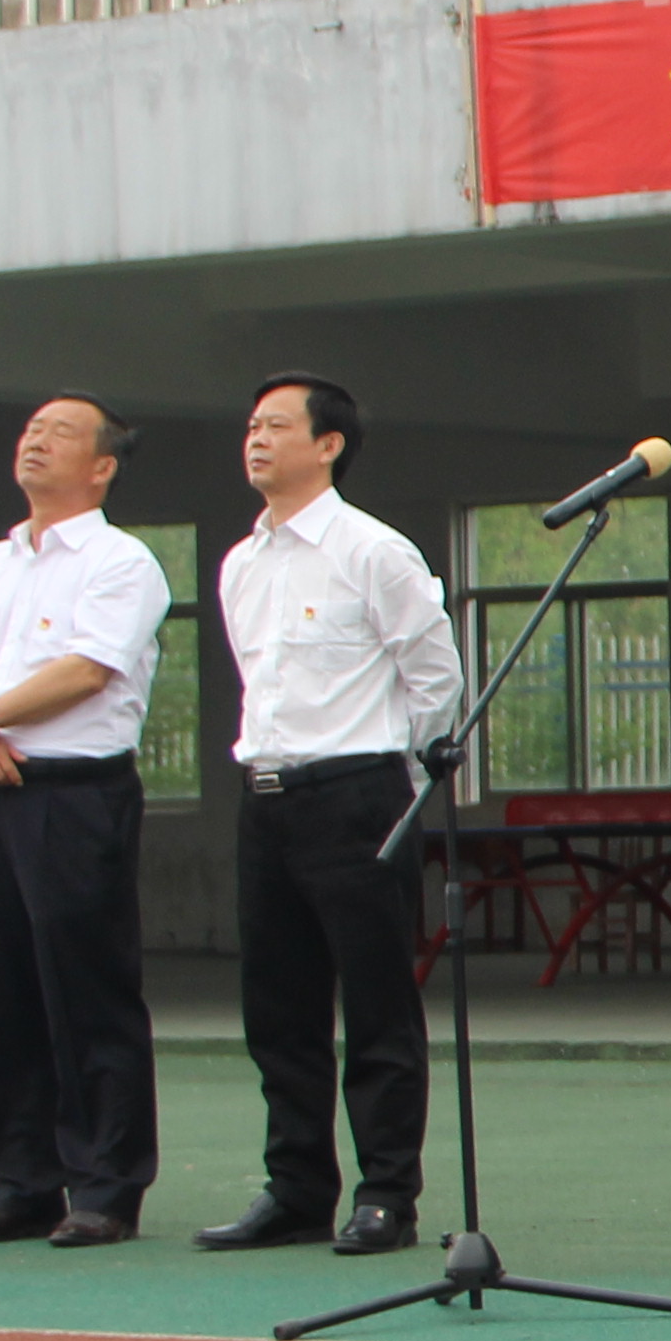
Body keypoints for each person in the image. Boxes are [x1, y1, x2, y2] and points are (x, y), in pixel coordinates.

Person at [198, 372, 461, 1258]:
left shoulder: (372, 551)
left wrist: (395, 777)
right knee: (278, 1009)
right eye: (251, 424)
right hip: (266, 798)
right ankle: (297, 1188)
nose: (256, 438)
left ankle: (387, 1194)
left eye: (276, 425)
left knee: (378, 1004)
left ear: (329, 444)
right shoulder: (242, 563)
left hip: (358, 797)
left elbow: (436, 679)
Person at [0, 394, 172, 1246]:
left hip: (74, 792)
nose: (34, 441)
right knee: (0, 990)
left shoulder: (121, 561)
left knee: (87, 988)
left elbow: (87, 669)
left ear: (102, 466)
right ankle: (21, 1181)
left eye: (58, 433)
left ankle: (106, 1186)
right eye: (30, 430)